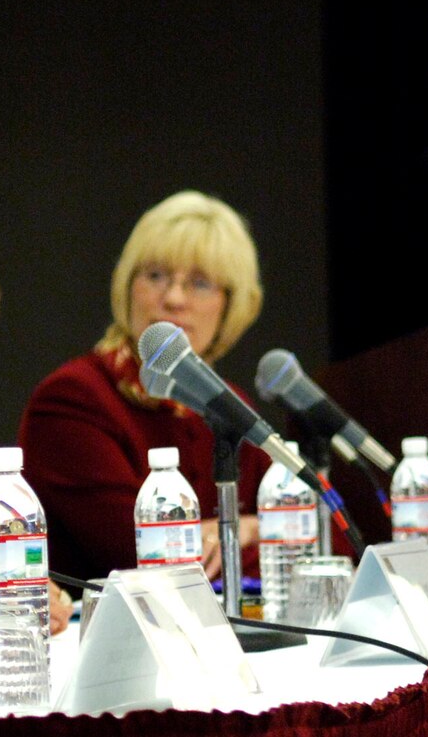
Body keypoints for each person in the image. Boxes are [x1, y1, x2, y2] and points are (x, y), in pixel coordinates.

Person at [19, 190, 270, 583]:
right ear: (127, 286)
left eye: (200, 283)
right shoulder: (74, 397)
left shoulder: (229, 404)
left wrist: (239, 534)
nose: (173, 298)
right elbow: (141, 555)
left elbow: (323, 538)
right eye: (155, 276)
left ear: (231, 306)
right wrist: (251, 529)